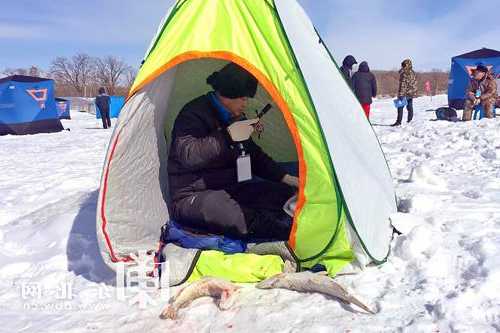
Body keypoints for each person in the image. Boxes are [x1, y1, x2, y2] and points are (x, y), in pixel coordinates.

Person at [167, 62, 299, 241]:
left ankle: (282, 221)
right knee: (232, 213)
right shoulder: (193, 113)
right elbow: (188, 155)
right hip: (192, 196)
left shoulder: (236, 116)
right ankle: (280, 231)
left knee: (281, 194)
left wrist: (286, 178)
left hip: (231, 188)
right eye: (243, 98)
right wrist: (228, 136)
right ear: (228, 95)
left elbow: (253, 155)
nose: (246, 104)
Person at [392, 59, 418, 126]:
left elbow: (403, 85)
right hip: (412, 92)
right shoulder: (413, 72)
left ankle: (398, 122)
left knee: (400, 107)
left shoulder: (404, 73)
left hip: (405, 93)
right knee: (410, 106)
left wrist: (401, 95)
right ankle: (410, 120)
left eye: (403, 65)